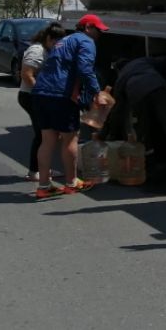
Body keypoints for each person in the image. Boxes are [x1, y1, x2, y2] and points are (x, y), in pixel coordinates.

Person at [31, 14, 109, 199]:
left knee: (47, 140)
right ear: (88, 27)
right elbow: (85, 69)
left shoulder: (64, 40)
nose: (99, 34)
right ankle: (72, 182)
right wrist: (97, 93)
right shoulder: (86, 41)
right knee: (70, 139)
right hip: (61, 95)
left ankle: (43, 186)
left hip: (41, 92)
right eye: (98, 30)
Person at [99, 56, 166, 176]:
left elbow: (116, 111)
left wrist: (107, 134)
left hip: (137, 95)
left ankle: (150, 165)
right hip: (158, 87)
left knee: (143, 130)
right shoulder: (143, 61)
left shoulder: (121, 78)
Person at [17, 22, 65, 181]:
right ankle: (34, 171)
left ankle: (43, 168)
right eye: (56, 41)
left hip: (38, 96)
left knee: (47, 134)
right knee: (42, 134)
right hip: (31, 96)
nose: (58, 45)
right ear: (49, 38)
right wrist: (41, 93)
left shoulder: (47, 49)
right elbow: (26, 74)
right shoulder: (36, 51)